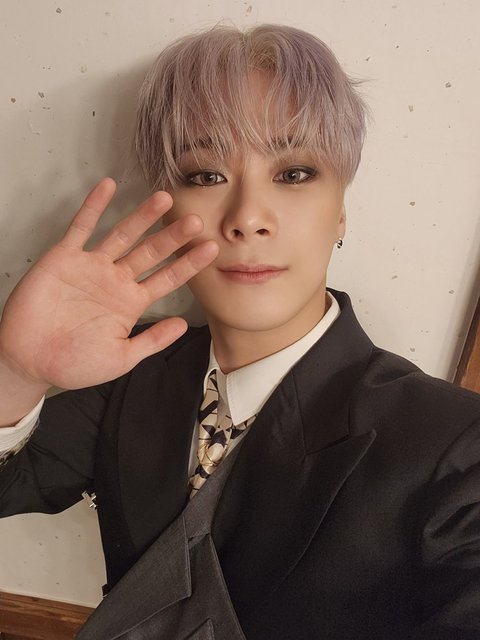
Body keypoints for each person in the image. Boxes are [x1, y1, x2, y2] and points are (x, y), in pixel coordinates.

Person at [0, 23, 479, 640]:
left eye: (295, 172)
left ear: (341, 211)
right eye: (206, 175)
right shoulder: (127, 368)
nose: (248, 217)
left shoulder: (454, 443)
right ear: (166, 204)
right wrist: (15, 374)